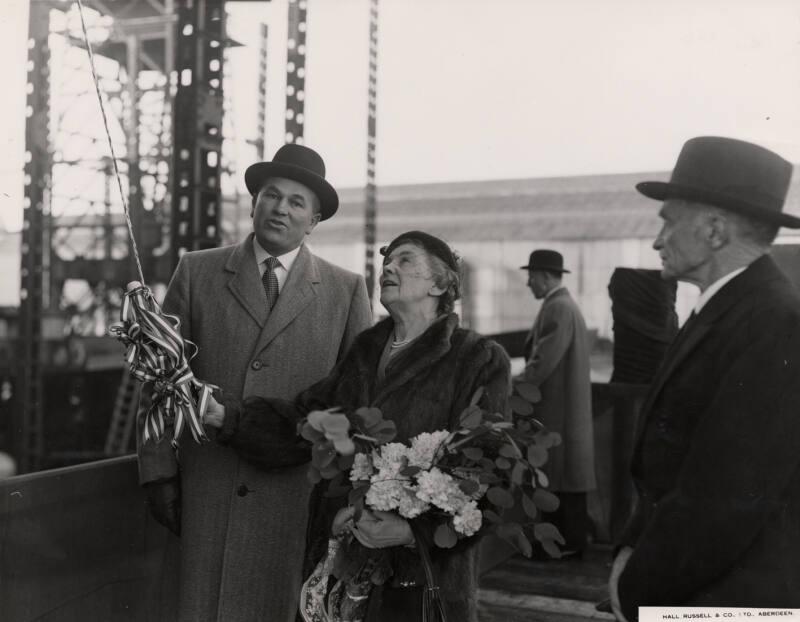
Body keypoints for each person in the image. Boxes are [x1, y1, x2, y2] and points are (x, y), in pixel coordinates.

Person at [204, 231, 511, 622]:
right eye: (386, 260)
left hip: (419, 580)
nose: (388, 267)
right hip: (343, 566)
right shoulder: (365, 352)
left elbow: (491, 473)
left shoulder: (477, 359)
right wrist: (224, 416)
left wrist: (410, 532)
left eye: (405, 260)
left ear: (441, 283)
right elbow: (309, 423)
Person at [136, 144, 372, 622]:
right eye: (271, 194)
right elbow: (159, 378)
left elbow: (358, 403)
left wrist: (345, 495)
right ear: (254, 202)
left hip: (293, 495)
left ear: (314, 220)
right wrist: (158, 471)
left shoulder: (346, 290)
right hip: (208, 488)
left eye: (296, 202)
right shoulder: (197, 271)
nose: (280, 208)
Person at [609, 136, 800, 621]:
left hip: (727, 597)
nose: (657, 240)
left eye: (669, 221)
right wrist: (630, 555)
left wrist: (636, 589)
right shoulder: (726, 307)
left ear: (715, 230)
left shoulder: (775, 323)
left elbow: (725, 498)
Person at [513, 250, 596, 557]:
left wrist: (508, 386)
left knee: (561, 481)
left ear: (545, 277)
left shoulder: (557, 308)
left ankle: (564, 546)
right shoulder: (564, 305)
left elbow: (541, 364)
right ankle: (568, 543)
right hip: (565, 411)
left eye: (531, 277)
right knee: (567, 480)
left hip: (558, 413)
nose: (528, 283)